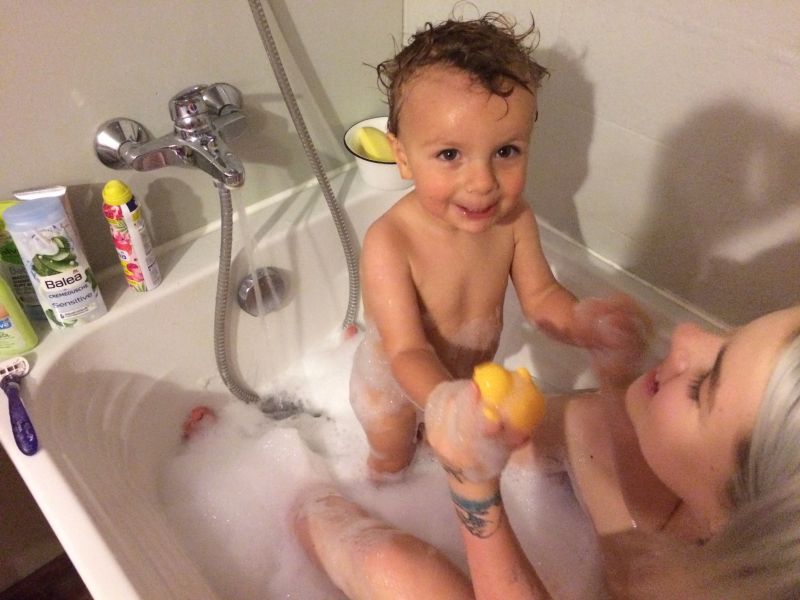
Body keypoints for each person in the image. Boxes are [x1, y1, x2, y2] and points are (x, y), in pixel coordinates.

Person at [296, 305, 800, 599]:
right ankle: (440, 436)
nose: (686, 334)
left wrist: (474, 488)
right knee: (592, 423)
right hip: (663, 563)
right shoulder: (736, 527)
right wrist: (615, 380)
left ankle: (297, 502)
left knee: (395, 568)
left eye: (701, 388)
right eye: (732, 332)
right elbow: (666, 515)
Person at [350, 13, 650, 479]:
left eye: (506, 151)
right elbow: (406, 351)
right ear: (403, 157)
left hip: (465, 387)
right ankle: (381, 485)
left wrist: (584, 322)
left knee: (452, 447)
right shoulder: (391, 241)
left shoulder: (513, 220)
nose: (482, 182)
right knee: (393, 456)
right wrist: (444, 404)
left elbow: (542, 297)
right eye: (450, 154)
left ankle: (439, 445)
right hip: (392, 386)